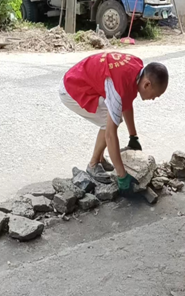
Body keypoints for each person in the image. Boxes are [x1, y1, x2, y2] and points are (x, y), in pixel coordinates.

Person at [60, 52, 169, 195]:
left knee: (112, 116)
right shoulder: (119, 88)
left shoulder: (137, 69)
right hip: (72, 88)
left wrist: (133, 137)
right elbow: (111, 135)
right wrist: (122, 175)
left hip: (82, 78)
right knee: (109, 120)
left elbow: (127, 103)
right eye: (156, 95)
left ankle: (99, 158)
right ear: (147, 84)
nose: (154, 99)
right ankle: (93, 164)